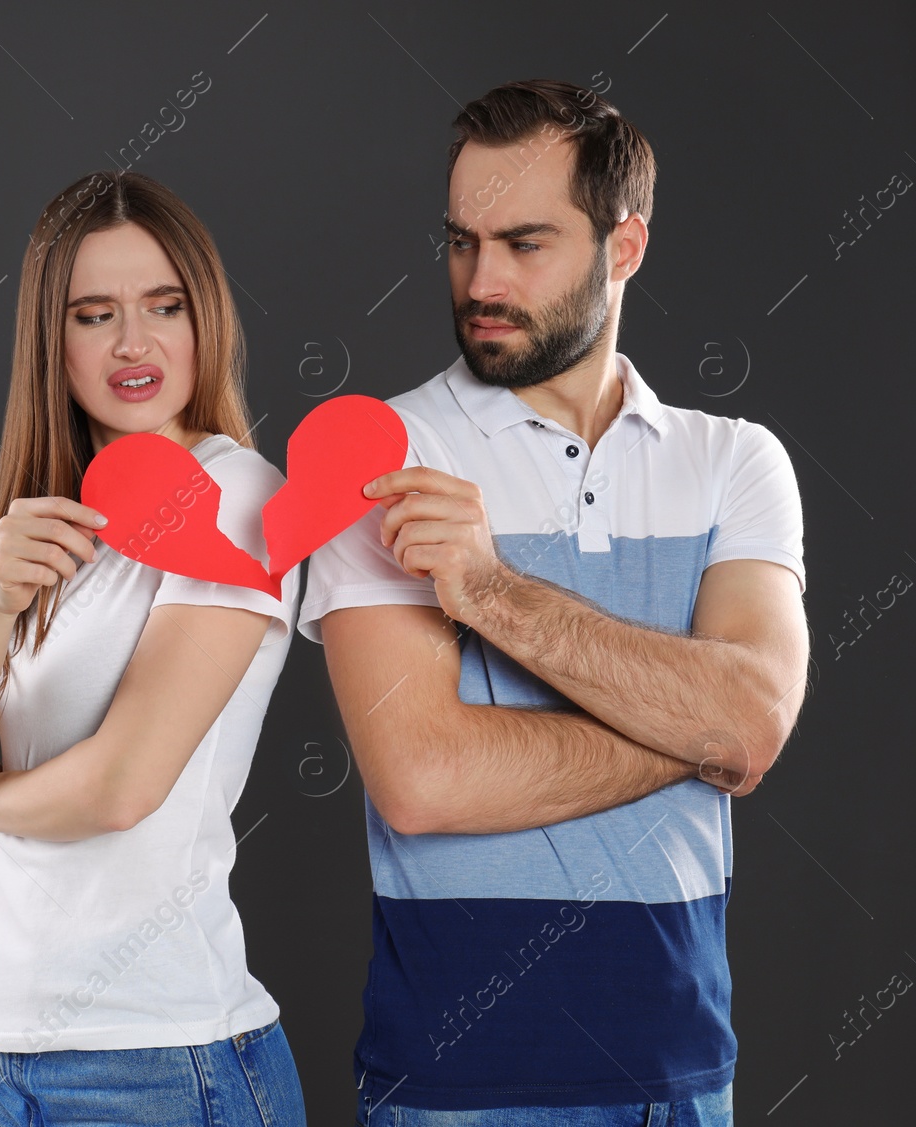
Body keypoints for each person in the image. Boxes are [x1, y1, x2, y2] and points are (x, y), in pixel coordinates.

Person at [297, 80, 808, 1126]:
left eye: (524, 244)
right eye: (460, 241)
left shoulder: (734, 463)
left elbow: (750, 719)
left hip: (680, 1080)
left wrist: (486, 589)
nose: (480, 279)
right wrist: (698, 730)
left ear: (624, 248)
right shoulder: (376, 452)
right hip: (457, 1089)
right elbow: (423, 779)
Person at [0, 169, 307, 1126]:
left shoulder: (240, 494)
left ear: (205, 320)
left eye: (165, 305)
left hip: (164, 1059)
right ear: (54, 342)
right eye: (94, 313)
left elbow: (123, 786)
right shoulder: (56, 524)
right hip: (21, 1055)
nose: (134, 343)